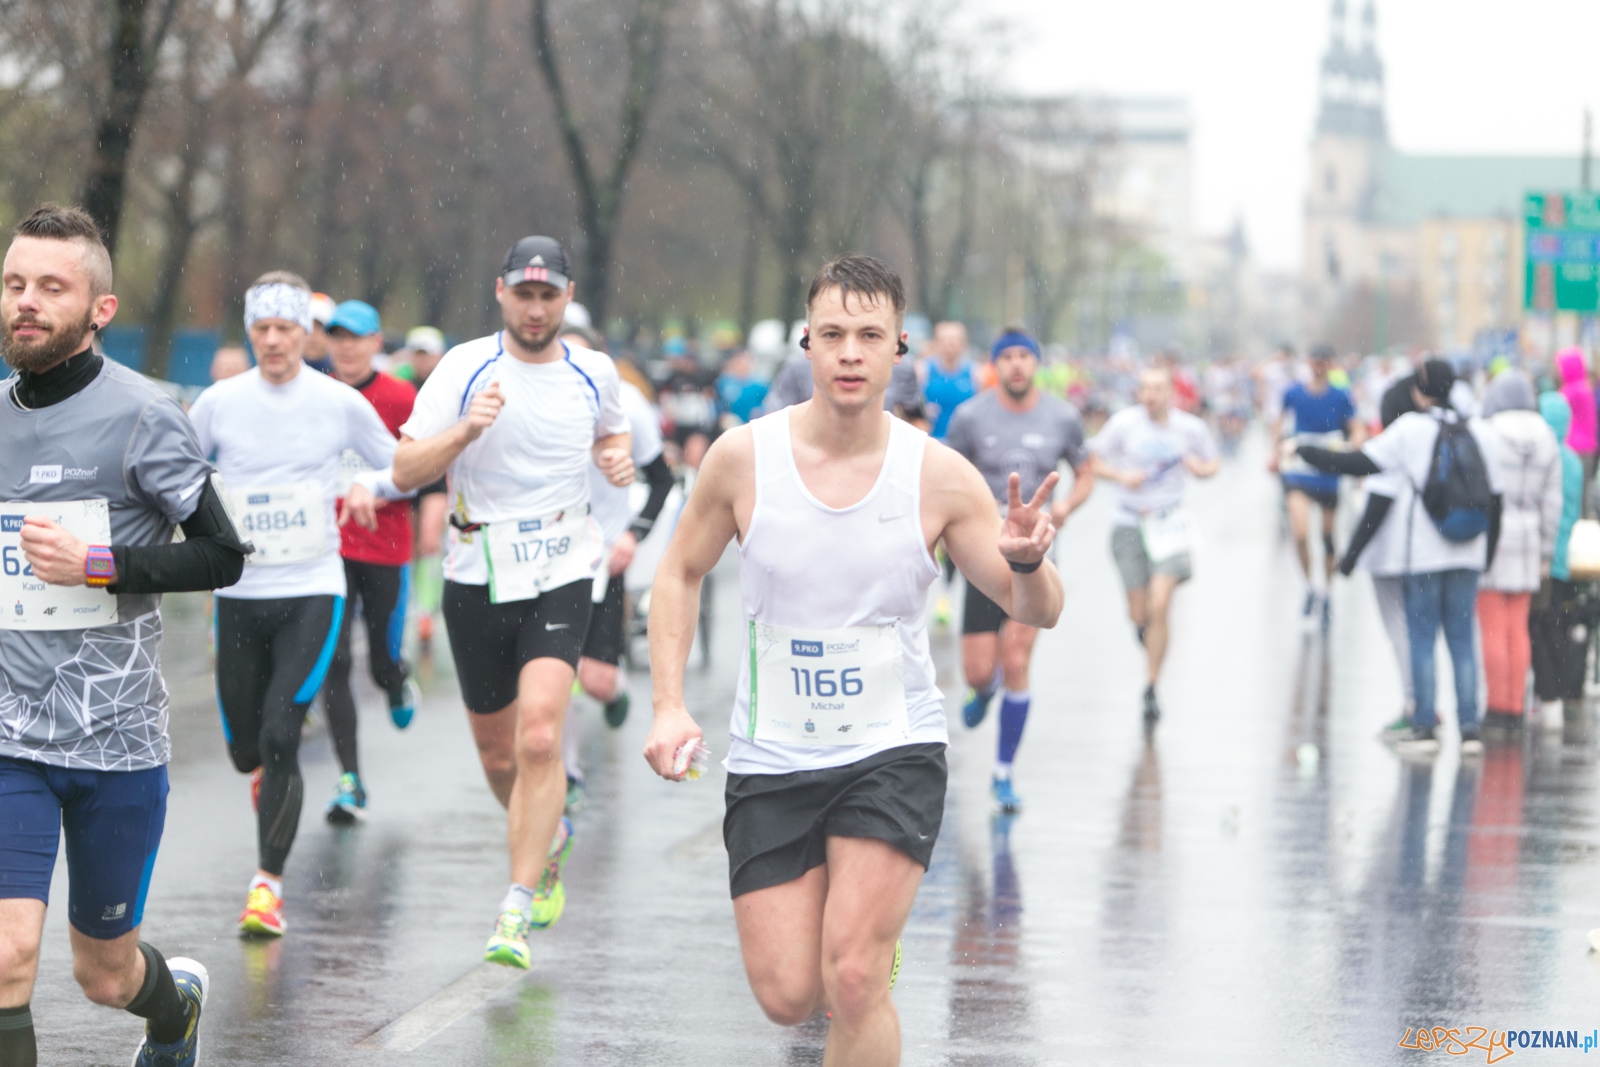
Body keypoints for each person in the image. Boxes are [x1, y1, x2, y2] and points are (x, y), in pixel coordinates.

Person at [642, 255, 1063, 1066]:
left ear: (898, 347)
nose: (849, 352)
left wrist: (1024, 563)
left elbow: (1038, 609)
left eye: (869, 335)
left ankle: (867, 961)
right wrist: (668, 701)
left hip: (891, 748)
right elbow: (679, 570)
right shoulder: (742, 457)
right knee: (788, 995)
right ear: (807, 342)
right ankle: (855, 963)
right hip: (774, 753)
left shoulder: (937, 474)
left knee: (857, 976)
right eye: (832, 333)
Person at [0, 203, 249, 1067]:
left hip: (116, 737)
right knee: (6, 956)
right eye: (15, 283)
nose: (25, 302)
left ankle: (171, 1008)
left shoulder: (144, 416)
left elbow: (223, 556)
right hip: (11, 735)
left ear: (99, 309)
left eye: (50, 288)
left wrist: (99, 562)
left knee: (102, 974)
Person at [392, 235, 633, 969]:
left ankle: (517, 905)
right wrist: (466, 429)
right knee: (500, 753)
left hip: (562, 565)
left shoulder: (594, 371)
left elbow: (611, 434)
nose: (536, 308)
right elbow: (403, 468)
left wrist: (613, 456)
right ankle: (547, 830)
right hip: (478, 571)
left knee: (538, 736)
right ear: (501, 292)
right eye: (524, 294)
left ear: (567, 298)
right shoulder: (465, 367)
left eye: (549, 294)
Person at [189, 272, 409, 938]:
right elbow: (179, 475)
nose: (275, 340)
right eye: (263, 328)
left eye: (286, 329)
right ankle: (269, 782)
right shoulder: (219, 402)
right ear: (251, 332)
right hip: (240, 594)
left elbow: (398, 463)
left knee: (284, 731)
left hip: (314, 588)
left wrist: (369, 485)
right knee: (246, 750)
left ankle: (267, 886)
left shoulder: (337, 401)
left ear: (303, 334)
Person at [1298, 359, 1502, 755]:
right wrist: (1487, 555)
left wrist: (1307, 452)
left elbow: (1357, 463)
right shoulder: (1481, 430)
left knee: (1422, 636)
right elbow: (1497, 500)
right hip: (1469, 552)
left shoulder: (1411, 429)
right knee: (1462, 639)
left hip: (1425, 553)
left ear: (1419, 391)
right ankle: (1470, 727)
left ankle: (1424, 723)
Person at [945, 328, 1093, 813]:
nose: (1015, 365)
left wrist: (1068, 504)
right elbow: (945, 474)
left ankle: (1003, 772)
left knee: (1016, 660)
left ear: (1036, 364)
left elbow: (1086, 468)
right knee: (979, 670)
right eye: (1005, 357)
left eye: (1023, 357)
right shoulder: (971, 417)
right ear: (994, 364)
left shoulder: (1062, 416)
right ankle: (983, 691)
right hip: (980, 557)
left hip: (1034, 557)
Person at [557, 323, 674, 811]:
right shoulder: (529, 400)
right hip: (546, 556)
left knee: (595, 678)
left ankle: (616, 688)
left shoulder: (627, 404)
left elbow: (662, 481)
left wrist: (632, 534)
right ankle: (566, 774)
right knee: (555, 672)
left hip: (605, 553)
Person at [320, 299, 423, 823]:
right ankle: (351, 779)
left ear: (376, 343)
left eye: (357, 337)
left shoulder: (401, 397)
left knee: (380, 662)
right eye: (338, 337)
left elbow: (422, 470)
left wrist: (382, 491)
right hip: (327, 551)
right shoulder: (315, 394)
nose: (347, 347)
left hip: (384, 548)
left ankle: (397, 679)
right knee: (333, 661)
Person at [1091, 366, 1221, 727]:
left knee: (1160, 601)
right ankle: (1152, 646)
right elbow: (1093, 460)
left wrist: (1201, 469)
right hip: (1130, 523)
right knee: (1140, 615)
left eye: (1157, 389)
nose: (1149, 395)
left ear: (1170, 393)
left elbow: (1214, 463)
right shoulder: (1123, 424)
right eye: (1144, 388)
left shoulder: (1189, 428)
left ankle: (1150, 686)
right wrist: (1121, 476)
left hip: (1170, 524)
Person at [1474, 370, 1562, 731]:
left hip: (1495, 537)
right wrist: (1546, 547)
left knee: (1493, 627)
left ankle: (1497, 707)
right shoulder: (1546, 436)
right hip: (1529, 539)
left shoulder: (1488, 433)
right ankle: (1516, 705)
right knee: (1518, 627)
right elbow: (1552, 500)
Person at [1268, 343, 1362, 626]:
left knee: (1327, 537)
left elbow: (1356, 425)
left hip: (1329, 470)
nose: (1319, 364)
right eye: (1315, 359)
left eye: (1324, 359)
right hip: (1299, 469)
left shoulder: (1341, 394)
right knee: (1299, 532)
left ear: (1331, 363)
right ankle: (1310, 585)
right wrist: (1276, 450)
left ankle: (1327, 592)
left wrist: (1355, 445)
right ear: (1308, 362)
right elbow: (1278, 421)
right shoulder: (1294, 392)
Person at [1529, 392, 1586, 723]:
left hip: (1544, 558)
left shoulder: (1544, 456)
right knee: (1557, 627)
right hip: (1567, 558)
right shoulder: (1574, 460)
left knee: (1539, 626)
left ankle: (1546, 694)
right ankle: (1560, 693)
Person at [1557, 348, 1598, 515]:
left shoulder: (1570, 391)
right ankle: (1585, 519)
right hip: (1588, 447)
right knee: (1584, 489)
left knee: (1571, 491)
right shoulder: (1585, 388)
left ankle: (1578, 520)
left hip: (1573, 447)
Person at [922, 319, 977, 440]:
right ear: (936, 343)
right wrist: (923, 411)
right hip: (932, 441)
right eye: (945, 341)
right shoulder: (923, 371)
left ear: (963, 344)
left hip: (964, 444)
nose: (949, 346)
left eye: (954, 341)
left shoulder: (975, 374)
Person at [304, 292, 336, 375]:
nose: (312, 334)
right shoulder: (277, 374)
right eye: (307, 326)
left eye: (320, 327)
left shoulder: (346, 377)